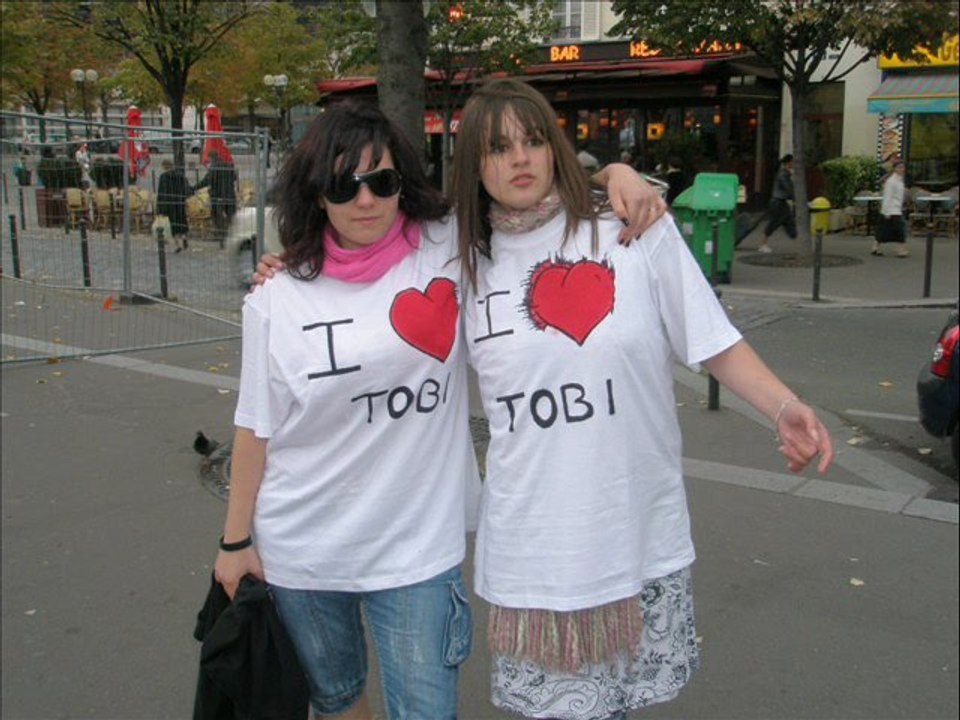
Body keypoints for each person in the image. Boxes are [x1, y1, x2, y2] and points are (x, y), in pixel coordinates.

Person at [225, 99, 666, 720]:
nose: (365, 200)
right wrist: (235, 539)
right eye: (341, 184)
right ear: (314, 192)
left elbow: (522, 179)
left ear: (401, 182)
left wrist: (613, 172)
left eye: (381, 180)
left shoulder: (448, 243)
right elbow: (255, 426)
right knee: (338, 699)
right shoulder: (279, 295)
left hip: (417, 550)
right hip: (304, 547)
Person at [449, 78, 834, 720]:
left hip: (628, 528)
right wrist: (287, 270)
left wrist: (781, 405)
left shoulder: (630, 229)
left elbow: (710, 337)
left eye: (533, 140)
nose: (519, 159)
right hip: (537, 544)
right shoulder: (460, 259)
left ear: (556, 149)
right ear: (473, 166)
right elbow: (368, 251)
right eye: (496, 148)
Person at [757, 153, 796, 253]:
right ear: (789, 162)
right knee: (774, 222)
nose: (794, 164)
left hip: (781, 202)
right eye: (793, 161)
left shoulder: (785, 173)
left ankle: (796, 240)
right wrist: (795, 198)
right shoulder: (783, 174)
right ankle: (763, 244)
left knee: (789, 221)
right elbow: (788, 189)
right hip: (778, 202)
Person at [195, 155, 237, 245]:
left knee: (217, 216)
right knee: (231, 216)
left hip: (218, 196)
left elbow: (206, 181)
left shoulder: (213, 168)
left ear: (211, 159)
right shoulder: (228, 166)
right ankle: (233, 233)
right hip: (230, 195)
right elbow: (234, 177)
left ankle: (220, 236)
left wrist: (194, 188)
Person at [873, 159, 908, 257]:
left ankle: (875, 247)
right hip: (891, 210)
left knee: (883, 230)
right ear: (894, 169)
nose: (901, 169)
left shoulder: (899, 180)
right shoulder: (891, 181)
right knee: (900, 229)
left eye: (902, 167)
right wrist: (886, 212)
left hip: (897, 209)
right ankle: (901, 250)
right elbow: (887, 197)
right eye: (899, 167)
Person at [156, 159, 191, 251]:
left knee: (173, 225)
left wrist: (160, 207)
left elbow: (161, 193)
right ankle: (184, 237)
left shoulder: (163, 177)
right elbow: (186, 188)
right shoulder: (180, 176)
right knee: (182, 222)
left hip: (169, 204)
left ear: (164, 167)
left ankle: (178, 245)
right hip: (179, 203)